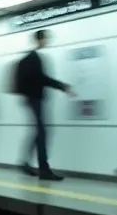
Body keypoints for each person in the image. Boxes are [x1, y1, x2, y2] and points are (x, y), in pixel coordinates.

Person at [14, 29, 74, 180]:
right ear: (39, 39)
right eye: (46, 38)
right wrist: (62, 86)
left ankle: (26, 163)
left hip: (32, 99)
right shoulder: (33, 58)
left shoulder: (30, 58)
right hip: (34, 99)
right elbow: (42, 79)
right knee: (42, 132)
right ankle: (43, 170)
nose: (47, 41)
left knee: (39, 132)